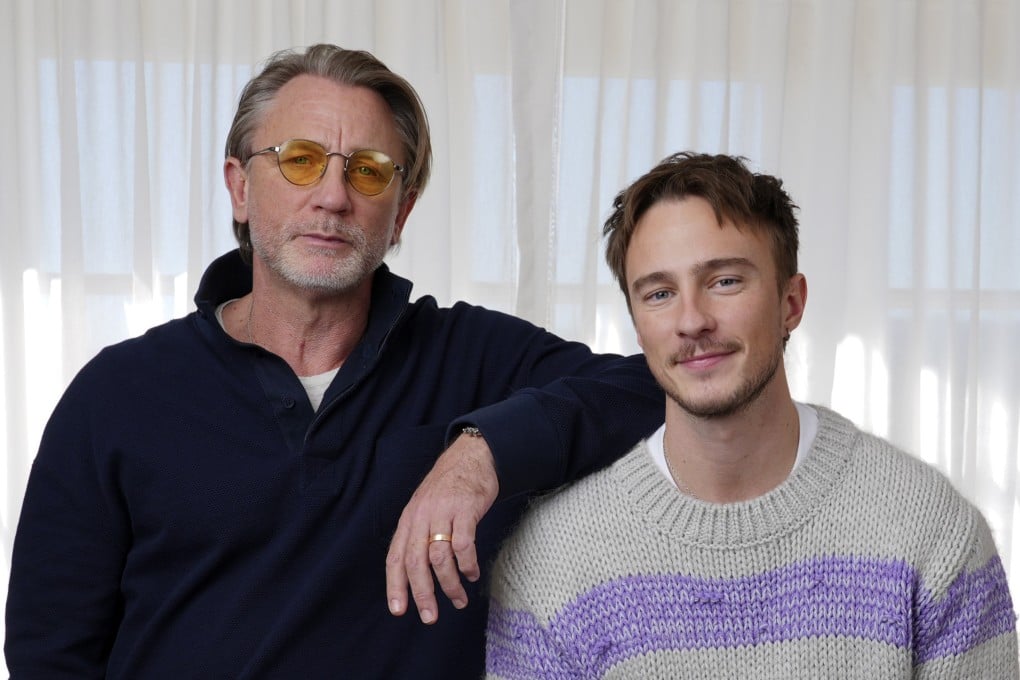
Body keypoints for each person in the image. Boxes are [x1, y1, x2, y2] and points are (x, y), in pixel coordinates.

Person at [4, 44, 663, 678]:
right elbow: (49, 653)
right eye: (300, 160)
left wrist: (481, 451)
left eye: (369, 170)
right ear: (240, 188)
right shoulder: (117, 394)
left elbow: (653, 386)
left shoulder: (472, 356)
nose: (333, 196)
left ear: (401, 211)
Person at [485, 152, 1019, 678]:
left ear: (791, 303)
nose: (692, 321)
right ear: (638, 324)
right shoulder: (552, 565)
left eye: (725, 281)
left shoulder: (932, 532)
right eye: (660, 293)